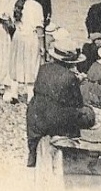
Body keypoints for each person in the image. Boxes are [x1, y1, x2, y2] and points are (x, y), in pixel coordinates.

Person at [25, 39, 96, 167]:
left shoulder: (43, 68)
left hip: (37, 117)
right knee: (87, 113)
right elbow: (77, 104)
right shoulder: (69, 77)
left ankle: (32, 151)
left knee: (35, 107)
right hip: (56, 120)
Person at [8, 0, 46, 102]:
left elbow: (11, 21)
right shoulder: (36, 6)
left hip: (18, 35)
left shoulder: (16, 3)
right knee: (31, 65)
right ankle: (30, 96)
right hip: (31, 37)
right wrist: (42, 46)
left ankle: (14, 93)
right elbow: (39, 27)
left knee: (16, 62)